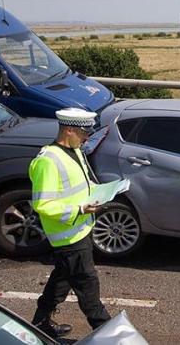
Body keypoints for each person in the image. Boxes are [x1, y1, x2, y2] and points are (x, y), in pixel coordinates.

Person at [29, 108, 110, 337]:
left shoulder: (75, 151)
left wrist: (102, 193)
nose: (87, 138)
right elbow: (43, 204)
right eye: (84, 133)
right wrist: (80, 209)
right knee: (88, 289)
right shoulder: (48, 161)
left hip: (80, 230)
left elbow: (82, 186)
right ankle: (110, 336)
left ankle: (38, 326)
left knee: (61, 281)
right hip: (67, 237)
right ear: (70, 130)